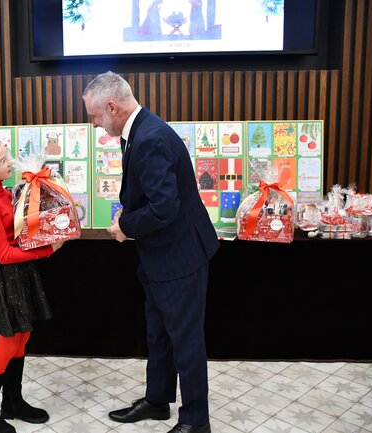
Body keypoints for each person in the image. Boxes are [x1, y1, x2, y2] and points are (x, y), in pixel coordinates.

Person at [83, 71, 219, 433]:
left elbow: (164, 207)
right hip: (159, 255)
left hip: (179, 257)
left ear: (112, 107)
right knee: (158, 333)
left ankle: (196, 421)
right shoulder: (141, 131)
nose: (95, 125)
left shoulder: (150, 138)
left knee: (185, 340)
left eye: (95, 116)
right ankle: (158, 401)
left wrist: (125, 226)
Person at [0, 136, 65, 433]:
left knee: (22, 336)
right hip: (5, 276)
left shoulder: (5, 192)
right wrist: (47, 250)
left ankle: (13, 402)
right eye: (3, 161)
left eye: (8, 156)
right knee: (7, 342)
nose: (11, 163)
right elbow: (4, 254)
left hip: (22, 273)